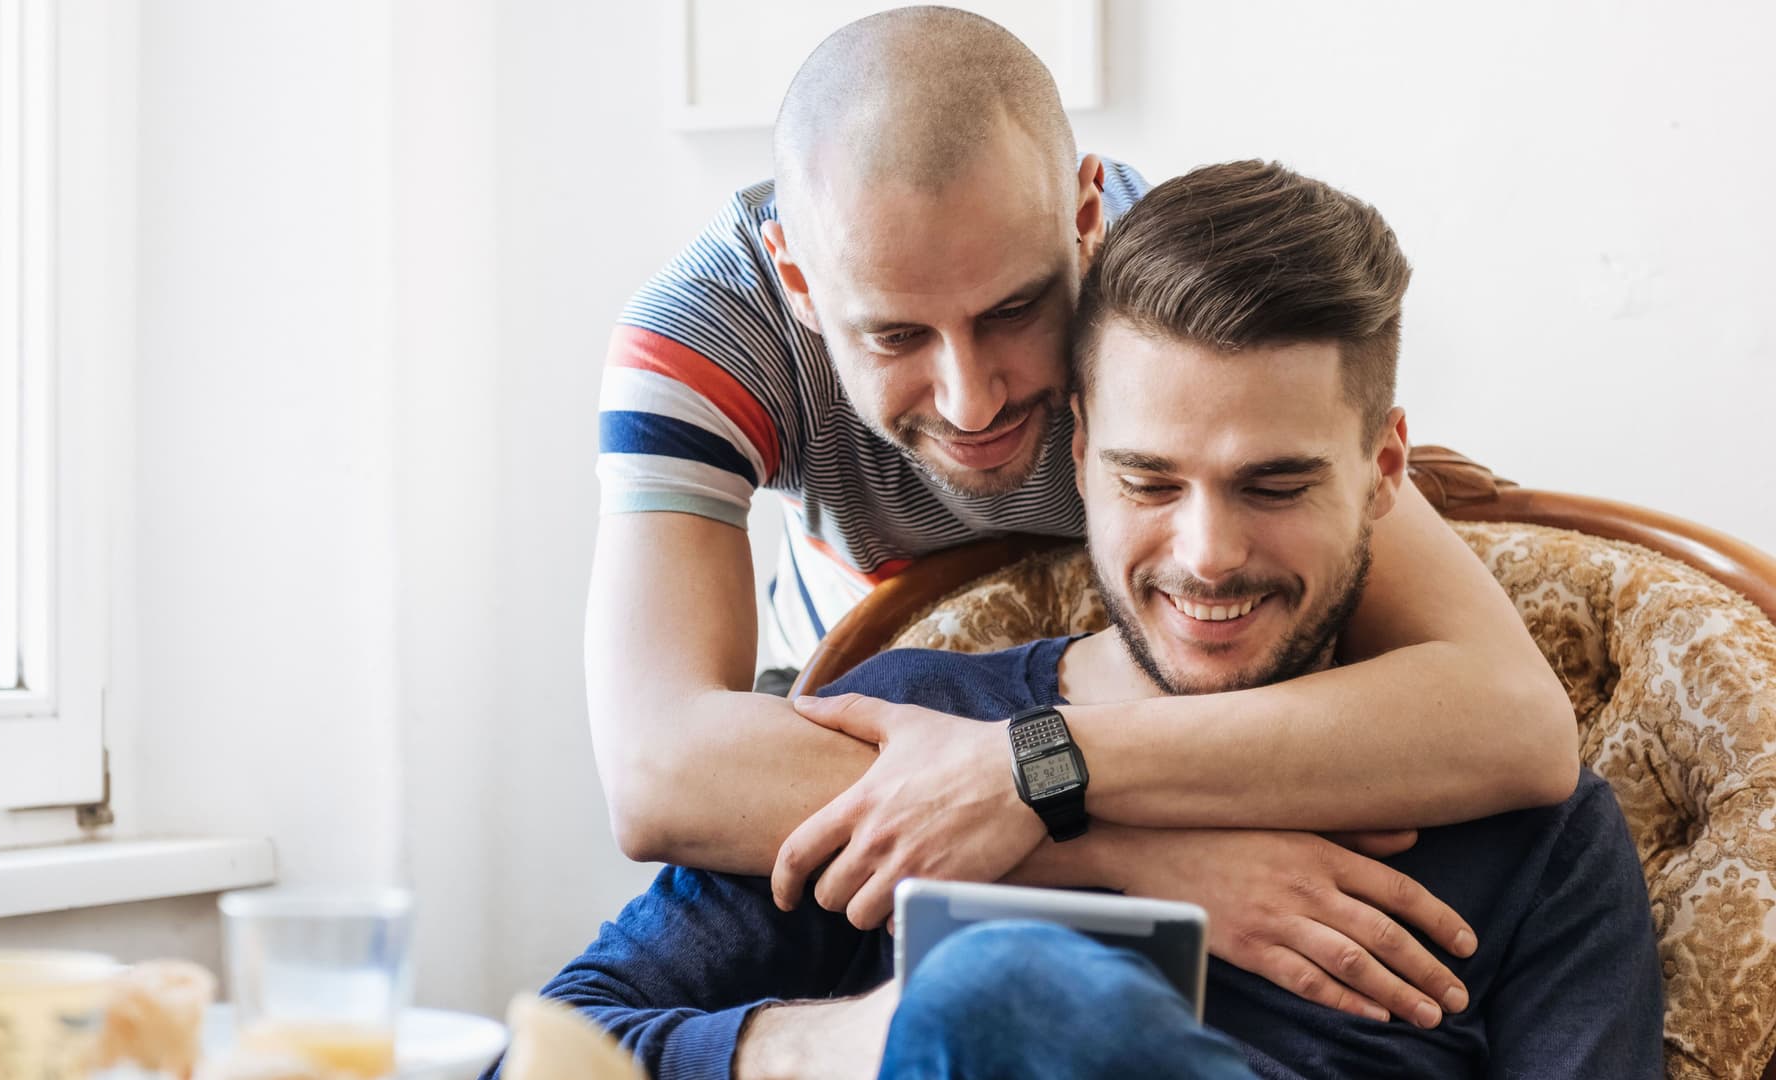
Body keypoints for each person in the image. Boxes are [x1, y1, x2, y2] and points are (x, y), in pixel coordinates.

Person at [527, 160, 1663, 1080]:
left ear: (1382, 474)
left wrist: (1030, 786)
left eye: (1273, 484)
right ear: (1079, 460)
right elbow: (555, 1046)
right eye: (1150, 482)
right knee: (995, 993)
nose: (1209, 555)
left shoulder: (1530, 834)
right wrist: (871, 1041)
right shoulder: (916, 738)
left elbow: (1522, 727)